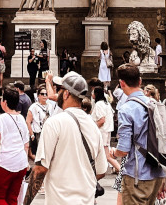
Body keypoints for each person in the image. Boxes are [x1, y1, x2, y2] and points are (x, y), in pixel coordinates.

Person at [26, 72, 107, 205]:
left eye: (59, 89)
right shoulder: (92, 125)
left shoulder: (54, 123)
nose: (56, 93)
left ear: (66, 94)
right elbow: (101, 170)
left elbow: (40, 169)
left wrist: (26, 202)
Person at [113, 63, 165, 205]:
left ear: (121, 83)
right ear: (140, 81)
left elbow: (123, 149)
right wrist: (164, 175)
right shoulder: (154, 104)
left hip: (137, 174)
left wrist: (113, 153)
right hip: (157, 171)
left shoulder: (126, 109)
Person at [0, 86, 29, 205]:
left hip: (5, 163)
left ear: (5, 102)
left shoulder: (1, 119)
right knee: (12, 198)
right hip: (21, 163)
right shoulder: (21, 118)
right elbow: (26, 144)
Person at [26, 86, 56, 156]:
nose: (44, 96)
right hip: (38, 133)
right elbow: (28, 121)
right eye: (42, 94)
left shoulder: (50, 106)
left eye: (46, 94)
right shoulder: (33, 107)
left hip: (48, 132)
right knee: (38, 154)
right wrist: (32, 135)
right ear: (38, 95)